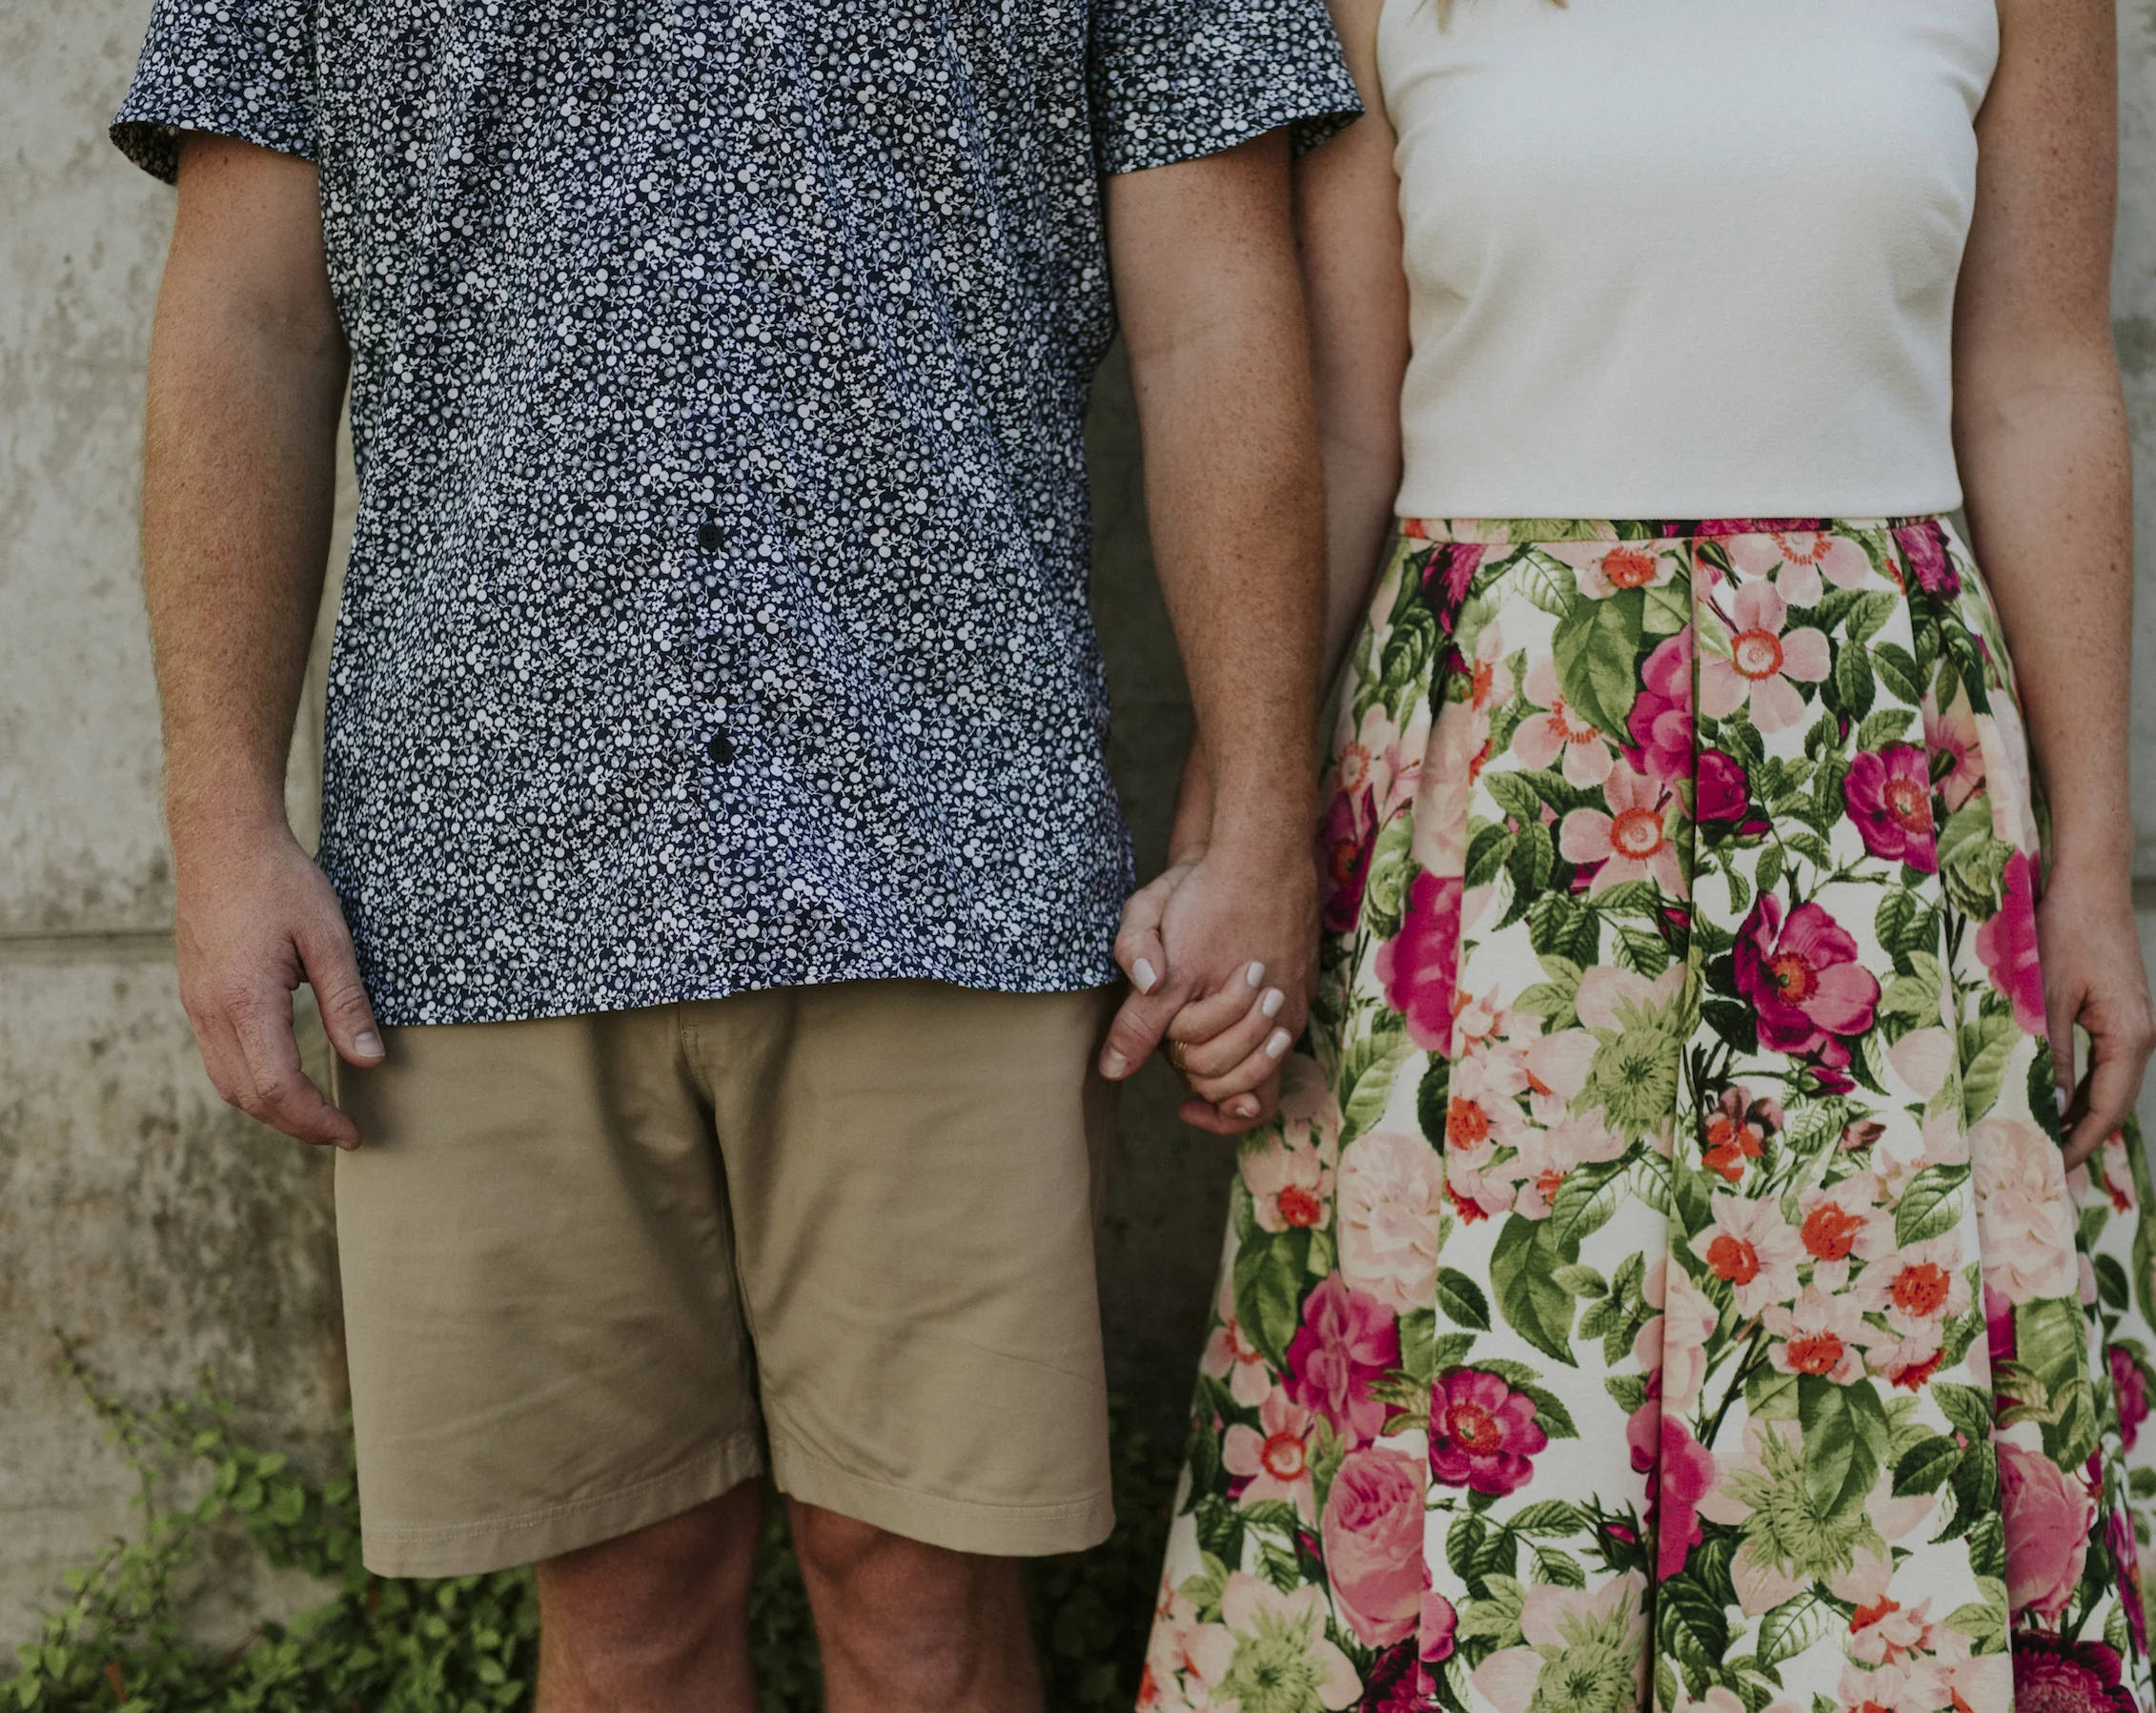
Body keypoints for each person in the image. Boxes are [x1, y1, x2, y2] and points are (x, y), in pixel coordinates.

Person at [112, 1, 1354, 1705]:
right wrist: (219, 823)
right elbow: (250, 315)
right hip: (489, 863)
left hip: (947, 839)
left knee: (923, 1600)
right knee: (623, 1605)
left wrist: (1266, 812)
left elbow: (1214, 311)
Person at [1129, 0, 2156, 1707]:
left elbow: (2036, 383)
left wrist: (2094, 863)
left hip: (1870, 795)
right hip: (1494, 794)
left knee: (1859, 1440)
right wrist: (1242, 826)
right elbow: (1344, 430)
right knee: (1499, 1421)